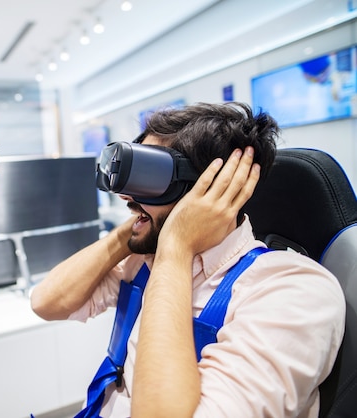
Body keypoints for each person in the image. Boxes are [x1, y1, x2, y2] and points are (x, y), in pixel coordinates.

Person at [30, 102, 345, 417]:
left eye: (145, 179)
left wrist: (177, 246)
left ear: (212, 187)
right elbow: (49, 302)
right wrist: (137, 226)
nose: (125, 197)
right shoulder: (143, 261)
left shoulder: (290, 292)